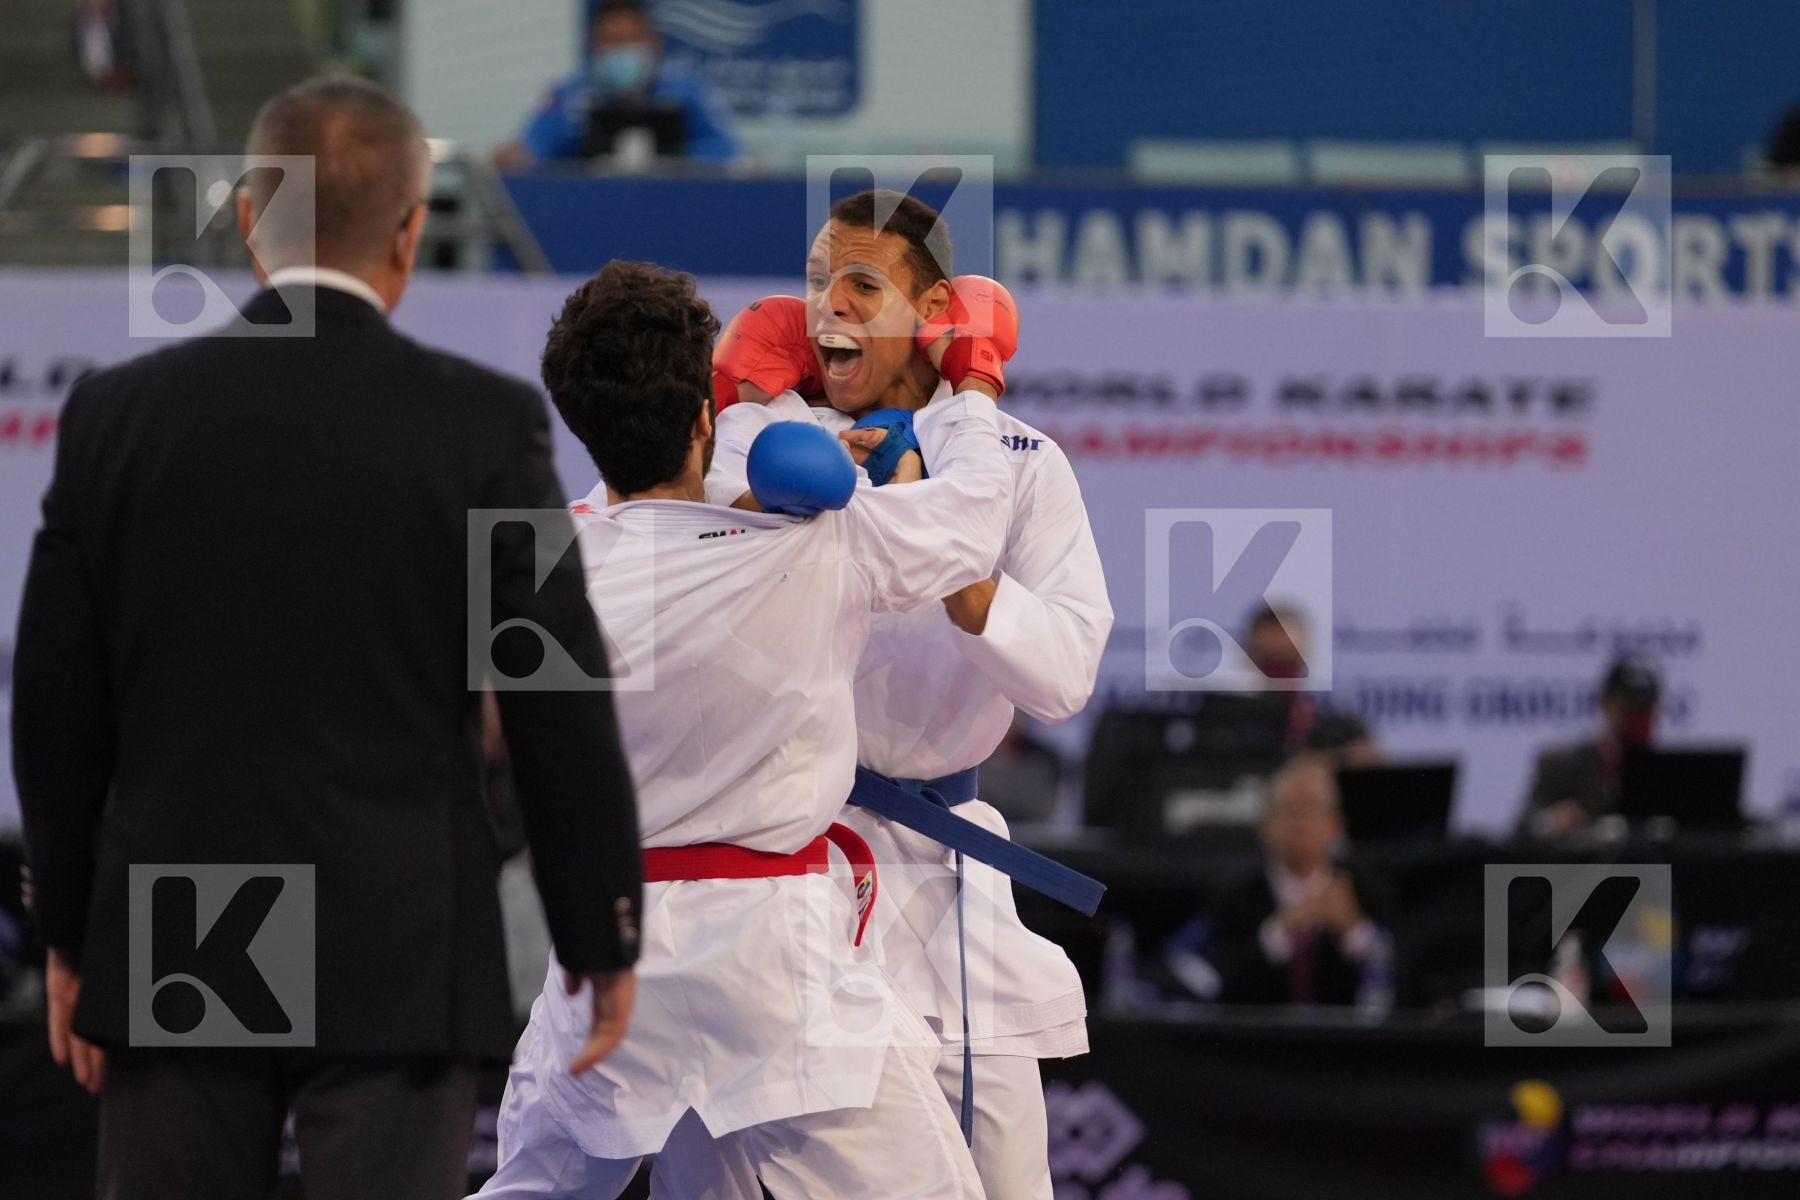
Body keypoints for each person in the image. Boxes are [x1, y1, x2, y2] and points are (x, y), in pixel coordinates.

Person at [11, 77, 642, 1200]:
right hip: (392, 920)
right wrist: (600, 929)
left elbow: (58, 707)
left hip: (181, 914)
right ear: (409, 233)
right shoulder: (488, 427)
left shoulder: (117, 416)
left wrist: (66, 934)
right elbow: (555, 686)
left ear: (249, 219)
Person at [478, 258, 1014, 1198]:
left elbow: (643, 542)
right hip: (775, 966)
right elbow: (972, 527)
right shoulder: (821, 544)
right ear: (702, 421)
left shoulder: (539, 565)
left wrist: (754, 482)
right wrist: (973, 384)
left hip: (610, 954)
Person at [699, 188, 1114, 1199]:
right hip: (778, 862)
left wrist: (962, 571)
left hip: (939, 877)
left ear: (933, 314)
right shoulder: (758, 441)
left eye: (860, 285)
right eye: (814, 284)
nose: (826, 310)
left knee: (1004, 1184)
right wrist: (767, 485)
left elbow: (1063, 676)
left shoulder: (1015, 466)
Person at [1175, 759, 1393, 1006]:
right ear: (1265, 827)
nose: (1300, 824)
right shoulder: (1234, 894)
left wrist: (1352, 931)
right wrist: (1278, 931)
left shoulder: (1365, 887)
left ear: (1336, 825)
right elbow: (1216, 985)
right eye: (1289, 811)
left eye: (1311, 809)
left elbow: (1395, 986)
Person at [500, 0, 737, 167]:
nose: (621, 51)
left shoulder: (687, 91)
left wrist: (668, 161)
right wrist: (515, 158)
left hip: (673, 206)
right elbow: (533, 150)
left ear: (654, 42)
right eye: (611, 42)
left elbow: (726, 151)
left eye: (631, 40)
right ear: (594, 45)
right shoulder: (569, 94)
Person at [1517, 657, 1662, 839]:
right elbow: (1520, 834)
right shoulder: (1561, 765)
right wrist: (1550, 822)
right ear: (1605, 703)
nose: (1637, 718)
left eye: (1645, 710)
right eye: (1629, 708)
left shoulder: (1669, 775)